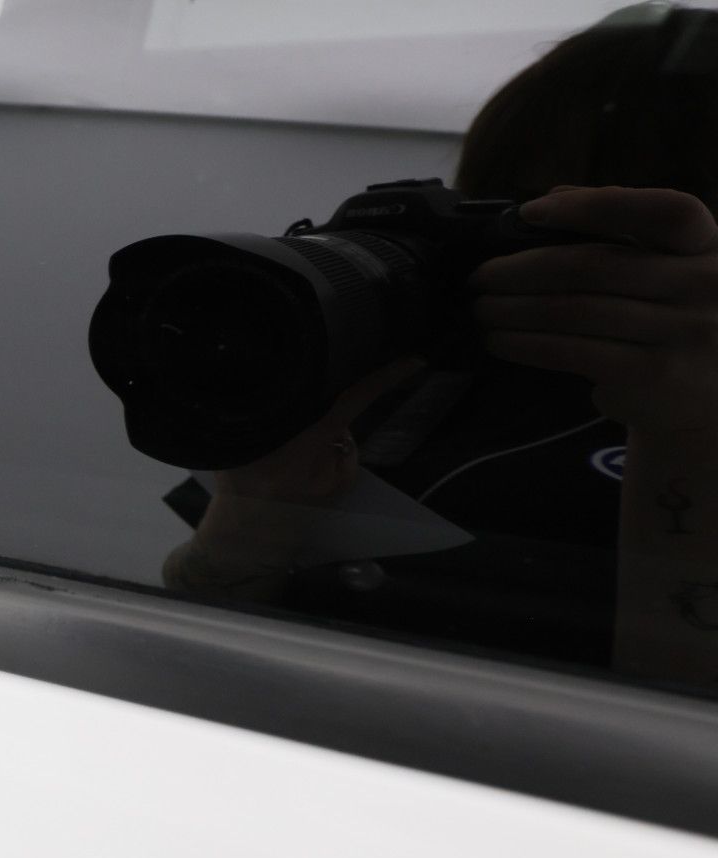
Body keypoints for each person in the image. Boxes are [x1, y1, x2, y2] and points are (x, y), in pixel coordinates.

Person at [164, 2, 718, 687]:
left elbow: (677, 719)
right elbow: (195, 635)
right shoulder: (416, 366)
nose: (535, 249)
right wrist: (252, 514)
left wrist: (689, 435)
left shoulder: (438, 373)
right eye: (507, 210)